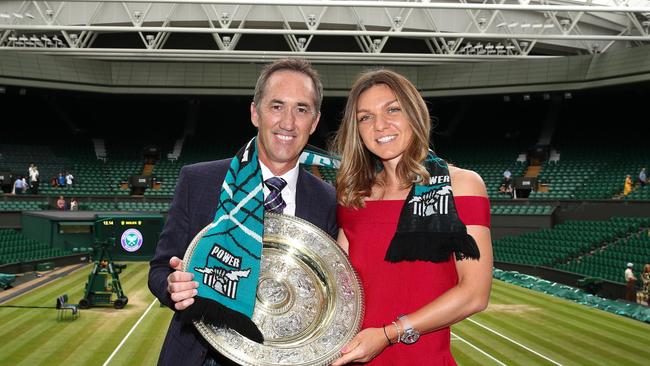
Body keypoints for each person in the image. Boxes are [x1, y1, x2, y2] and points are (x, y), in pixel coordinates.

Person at [148, 58, 338, 366]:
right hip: (202, 355)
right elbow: (159, 269)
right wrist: (172, 286)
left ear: (314, 122)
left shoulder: (327, 200)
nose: (288, 122)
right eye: (276, 106)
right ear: (255, 113)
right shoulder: (199, 182)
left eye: (301, 109)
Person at [331, 69, 492, 365]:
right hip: (352, 357)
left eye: (393, 109)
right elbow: (340, 286)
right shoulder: (353, 196)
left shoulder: (461, 185)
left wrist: (387, 334)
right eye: (365, 117)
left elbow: (474, 294)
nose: (380, 125)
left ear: (415, 114)